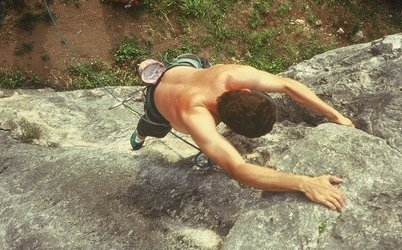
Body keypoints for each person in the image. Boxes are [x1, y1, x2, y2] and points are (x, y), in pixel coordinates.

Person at [133, 54, 355, 212]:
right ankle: (139, 135)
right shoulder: (196, 117)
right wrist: (303, 183)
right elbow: (239, 170)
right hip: (157, 103)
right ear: (228, 128)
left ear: (246, 91)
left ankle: (164, 69)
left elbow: (287, 85)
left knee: (199, 63)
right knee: (154, 127)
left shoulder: (232, 76)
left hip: (184, 65)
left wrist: (336, 116)